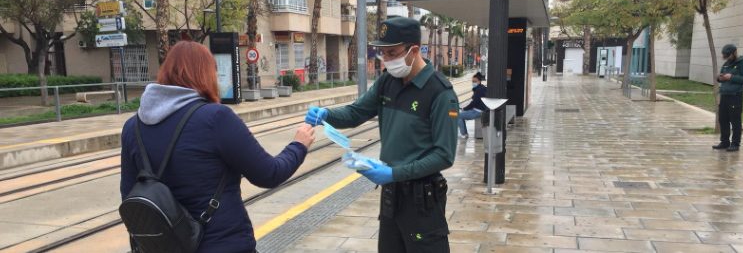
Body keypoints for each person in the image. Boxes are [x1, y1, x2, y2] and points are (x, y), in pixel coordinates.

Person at [120, 41, 315, 252]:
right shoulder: (215, 118)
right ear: (205, 75)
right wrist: (298, 145)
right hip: (221, 243)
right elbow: (269, 174)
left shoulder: (133, 127)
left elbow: (129, 195)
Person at [306, 17, 459, 253]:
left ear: (414, 50)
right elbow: (356, 112)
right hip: (391, 195)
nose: (386, 60)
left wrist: (393, 173)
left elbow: (444, 155)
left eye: (392, 53)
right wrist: (326, 114)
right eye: (383, 54)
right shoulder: (388, 82)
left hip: (422, 199)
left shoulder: (440, 92)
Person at [712, 44, 743, 152]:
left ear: (734, 53)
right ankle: (724, 142)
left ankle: (735, 144)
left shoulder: (742, 63)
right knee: (723, 119)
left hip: (735, 96)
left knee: (735, 120)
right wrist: (719, 78)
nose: (726, 57)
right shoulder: (727, 63)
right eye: (725, 55)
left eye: (728, 55)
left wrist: (732, 77)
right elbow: (722, 76)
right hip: (725, 95)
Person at [458, 72, 488, 139]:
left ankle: (464, 134)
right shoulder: (481, 88)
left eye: (475, 81)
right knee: (461, 114)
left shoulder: (479, 90)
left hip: (478, 111)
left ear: (479, 81)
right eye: (472, 81)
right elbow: (474, 102)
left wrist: (464, 108)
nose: (473, 83)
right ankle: (465, 133)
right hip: (479, 110)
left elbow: (474, 103)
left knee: (458, 116)